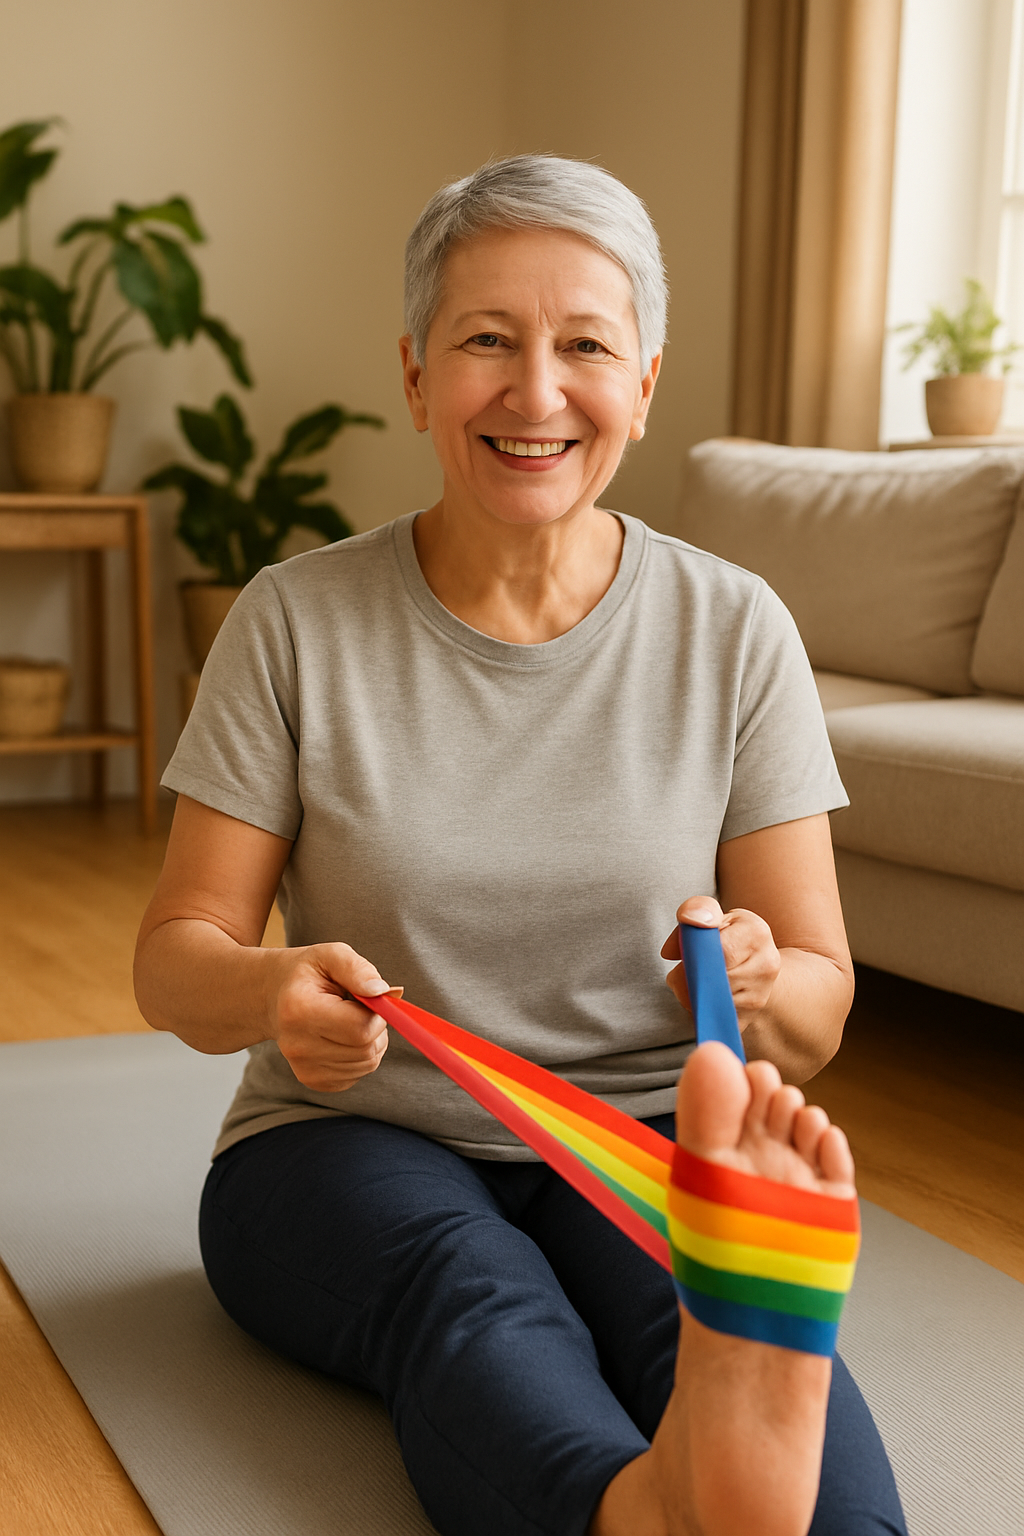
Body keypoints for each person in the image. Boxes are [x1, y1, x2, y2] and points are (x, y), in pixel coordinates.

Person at [135, 156, 907, 1536]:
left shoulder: (735, 630)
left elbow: (823, 1005)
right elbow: (173, 962)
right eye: (487, 340)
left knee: (720, 1336)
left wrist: (760, 980)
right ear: (417, 372)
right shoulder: (293, 619)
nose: (536, 392)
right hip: (347, 1140)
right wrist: (270, 993)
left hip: (642, 1129)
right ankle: (636, 1514)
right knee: (470, 1288)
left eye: (585, 346)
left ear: (646, 381)